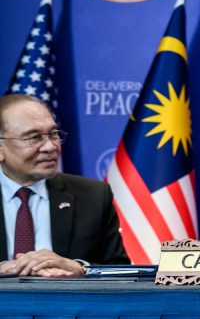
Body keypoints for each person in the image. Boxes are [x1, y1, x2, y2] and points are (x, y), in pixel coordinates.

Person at [0, 94, 127, 276]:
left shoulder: (93, 195)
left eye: (53, 134)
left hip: (70, 303)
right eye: (34, 137)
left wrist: (81, 268)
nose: (50, 147)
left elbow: (121, 271)